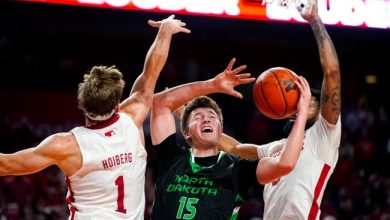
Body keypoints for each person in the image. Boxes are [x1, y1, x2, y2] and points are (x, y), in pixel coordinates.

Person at [0, 15, 190, 220]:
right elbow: (150, 73)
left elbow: (7, 165)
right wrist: (165, 32)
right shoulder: (132, 118)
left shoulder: (66, 145)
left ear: (82, 106)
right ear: (117, 105)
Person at [220, 0, 342, 219]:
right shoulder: (276, 148)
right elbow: (235, 148)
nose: (302, 104)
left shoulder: (323, 137)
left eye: (308, 101)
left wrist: (315, 21)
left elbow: (332, 73)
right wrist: (186, 112)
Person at [149, 58, 312, 219]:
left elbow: (285, 164)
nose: (206, 119)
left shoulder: (236, 168)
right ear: (186, 132)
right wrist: (212, 85)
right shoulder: (171, 158)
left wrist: (302, 112)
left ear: (221, 131)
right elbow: (160, 102)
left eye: (212, 117)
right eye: (198, 116)